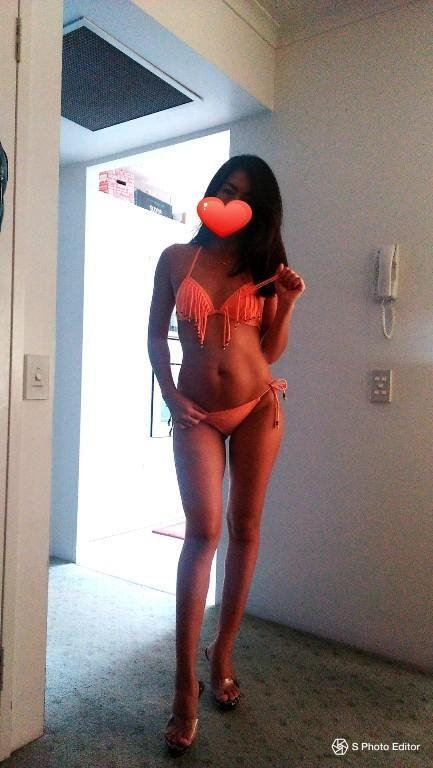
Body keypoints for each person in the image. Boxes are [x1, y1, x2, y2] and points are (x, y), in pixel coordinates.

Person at [147, 154, 306, 755]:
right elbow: (155, 333)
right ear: (212, 193)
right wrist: (170, 395)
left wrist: (287, 303)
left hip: (258, 403)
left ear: (260, 210)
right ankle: (183, 685)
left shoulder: (266, 266)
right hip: (197, 412)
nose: (232, 200)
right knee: (202, 534)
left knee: (245, 528)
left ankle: (223, 654)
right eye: (226, 188)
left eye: (245, 195)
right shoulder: (176, 259)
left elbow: (270, 350)